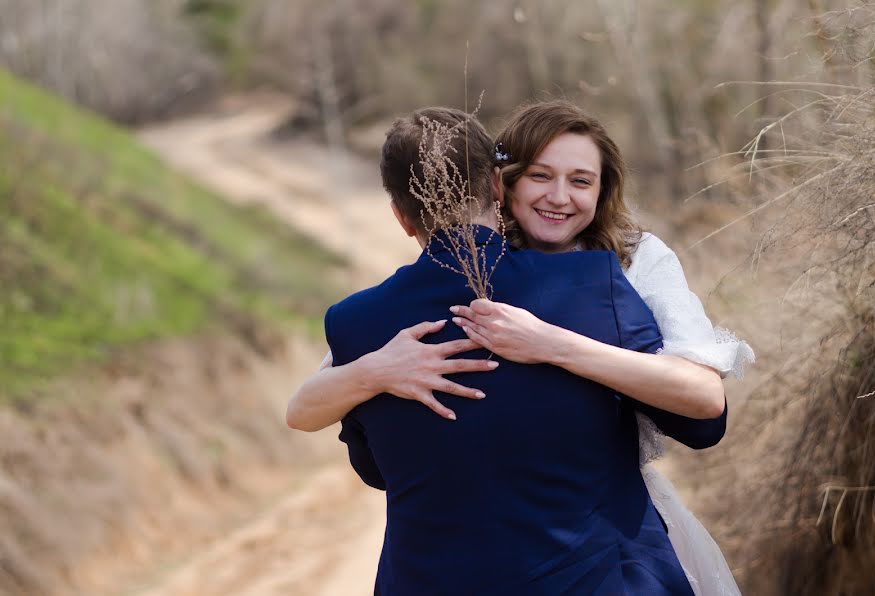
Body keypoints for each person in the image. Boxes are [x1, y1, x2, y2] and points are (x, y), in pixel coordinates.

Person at [290, 106, 728, 594]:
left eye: (580, 180)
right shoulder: (593, 284)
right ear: (499, 186)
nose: (558, 197)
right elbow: (703, 425)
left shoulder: (358, 322)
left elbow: (374, 470)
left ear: (399, 216)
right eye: (541, 176)